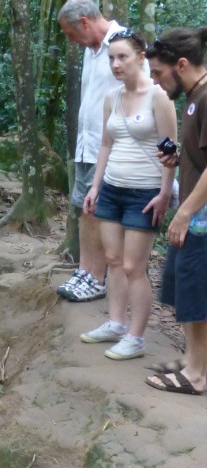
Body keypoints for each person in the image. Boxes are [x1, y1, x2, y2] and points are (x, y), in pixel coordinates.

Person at [80, 29, 177, 359]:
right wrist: (95, 186)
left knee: (135, 265)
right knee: (113, 260)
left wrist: (165, 193)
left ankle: (136, 338)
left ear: (140, 58)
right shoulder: (113, 97)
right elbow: (106, 144)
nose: (116, 64)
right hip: (111, 189)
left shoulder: (158, 96)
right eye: (111, 58)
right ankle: (116, 323)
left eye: (122, 57)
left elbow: (169, 149)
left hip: (144, 192)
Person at [143, 27, 207, 393]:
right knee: (179, 286)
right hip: (194, 212)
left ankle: (197, 375)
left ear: (181, 64)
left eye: (158, 73)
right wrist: (179, 158)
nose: (155, 81)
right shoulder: (195, 96)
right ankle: (193, 359)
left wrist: (184, 213)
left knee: (195, 291)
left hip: (200, 217)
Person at [57, 0, 124, 302]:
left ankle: (97, 278)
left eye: (72, 34)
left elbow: (142, 93)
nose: (72, 41)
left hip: (109, 147)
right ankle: (85, 271)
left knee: (98, 211)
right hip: (87, 145)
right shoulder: (91, 49)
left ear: (84, 22)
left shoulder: (123, 45)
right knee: (85, 209)